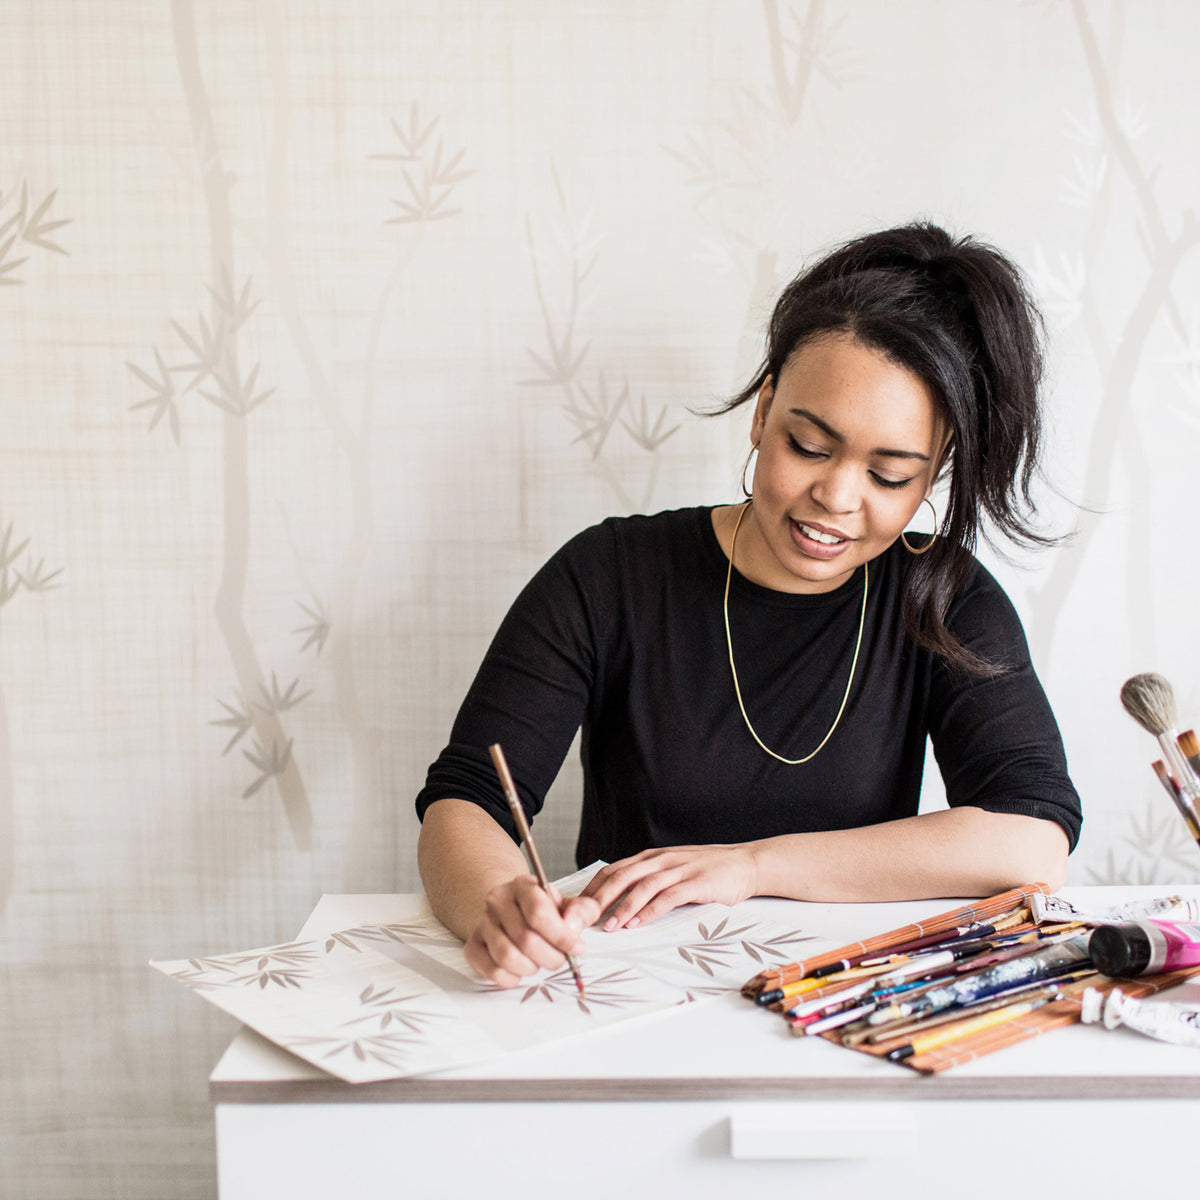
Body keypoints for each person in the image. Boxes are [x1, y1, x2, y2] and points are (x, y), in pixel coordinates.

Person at [415, 222, 1082, 988]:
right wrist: (499, 903)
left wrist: (754, 865)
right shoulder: (608, 575)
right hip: (628, 989)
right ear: (764, 411)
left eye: (890, 476)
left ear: (932, 476)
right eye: (809, 446)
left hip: (846, 999)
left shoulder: (944, 596)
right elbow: (467, 800)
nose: (836, 496)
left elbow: (1032, 838)